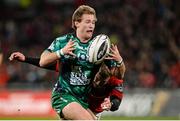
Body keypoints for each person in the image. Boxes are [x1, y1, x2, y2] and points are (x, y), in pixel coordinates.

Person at [10, 5, 126, 120]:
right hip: (63, 96)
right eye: (87, 21)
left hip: (84, 101)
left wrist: (119, 61)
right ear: (77, 23)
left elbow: (118, 76)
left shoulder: (98, 48)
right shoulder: (64, 41)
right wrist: (61, 52)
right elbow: (43, 61)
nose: (91, 25)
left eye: (93, 22)